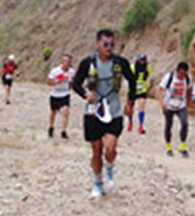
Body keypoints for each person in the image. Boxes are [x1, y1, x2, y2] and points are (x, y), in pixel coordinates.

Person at [71, 29, 136, 200]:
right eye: (105, 44)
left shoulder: (120, 62)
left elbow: (133, 80)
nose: (109, 47)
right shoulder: (88, 63)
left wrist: (130, 103)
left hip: (114, 110)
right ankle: (97, 183)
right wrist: (86, 94)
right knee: (96, 150)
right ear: (97, 44)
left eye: (112, 44)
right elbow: (76, 83)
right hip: (93, 111)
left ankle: (110, 167)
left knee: (110, 148)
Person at [159, 62, 192, 157]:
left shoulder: (188, 78)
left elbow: (190, 89)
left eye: (184, 74)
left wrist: (188, 102)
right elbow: (159, 90)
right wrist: (162, 103)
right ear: (176, 71)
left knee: (185, 123)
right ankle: (168, 147)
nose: (182, 76)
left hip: (181, 105)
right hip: (169, 105)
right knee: (169, 125)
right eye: (180, 73)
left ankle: (182, 146)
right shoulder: (169, 77)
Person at [47, 53, 75, 139]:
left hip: (65, 94)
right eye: (65, 61)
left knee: (65, 112)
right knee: (53, 113)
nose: (67, 63)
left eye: (69, 61)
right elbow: (49, 82)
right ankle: (51, 127)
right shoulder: (55, 71)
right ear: (62, 62)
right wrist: (57, 81)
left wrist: (71, 85)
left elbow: (73, 81)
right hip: (55, 94)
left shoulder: (72, 72)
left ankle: (63, 131)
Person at [127, 53, 151, 134]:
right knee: (131, 107)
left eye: (144, 60)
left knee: (142, 106)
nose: (142, 61)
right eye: (141, 60)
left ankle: (141, 125)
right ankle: (130, 122)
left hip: (142, 90)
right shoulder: (133, 67)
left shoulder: (148, 67)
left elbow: (148, 76)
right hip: (133, 89)